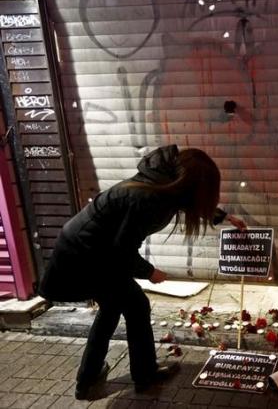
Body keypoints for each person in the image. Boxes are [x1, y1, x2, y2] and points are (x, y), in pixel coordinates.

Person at [38, 145, 247, 399]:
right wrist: (150, 272)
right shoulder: (150, 199)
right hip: (85, 256)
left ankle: (91, 377)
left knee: (115, 308)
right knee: (134, 306)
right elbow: (121, 250)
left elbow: (187, 201)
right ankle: (139, 374)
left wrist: (224, 217)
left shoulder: (162, 184)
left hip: (88, 251)